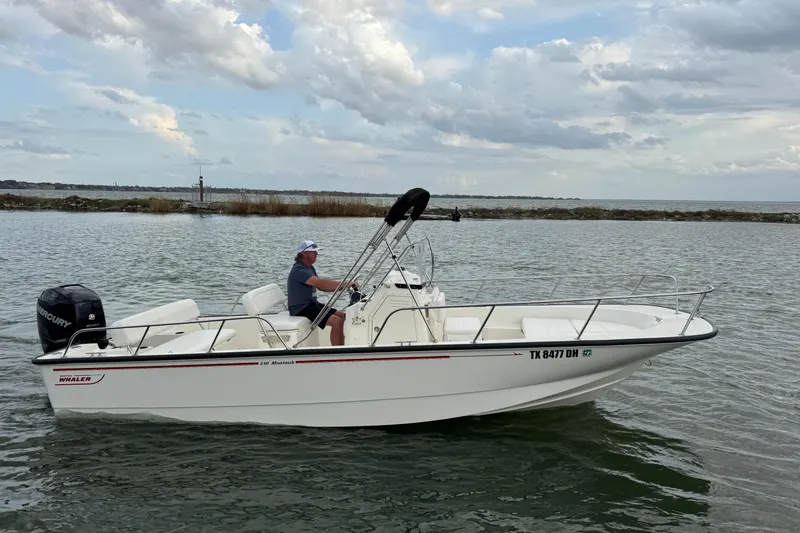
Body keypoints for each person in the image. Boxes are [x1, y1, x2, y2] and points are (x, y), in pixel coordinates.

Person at [287, 240, 358, 346]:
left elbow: (322, 287)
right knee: (336, 321)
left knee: (342, 316)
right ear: (304, 254)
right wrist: (347, 284)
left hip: (311, 304)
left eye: (316, 251)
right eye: (313, 252)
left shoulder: (309, 268)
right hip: (300, 308)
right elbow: (322, 283)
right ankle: (337, 353)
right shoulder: (299, 270)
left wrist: (342, 288)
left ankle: (342, 347)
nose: (316, 254)